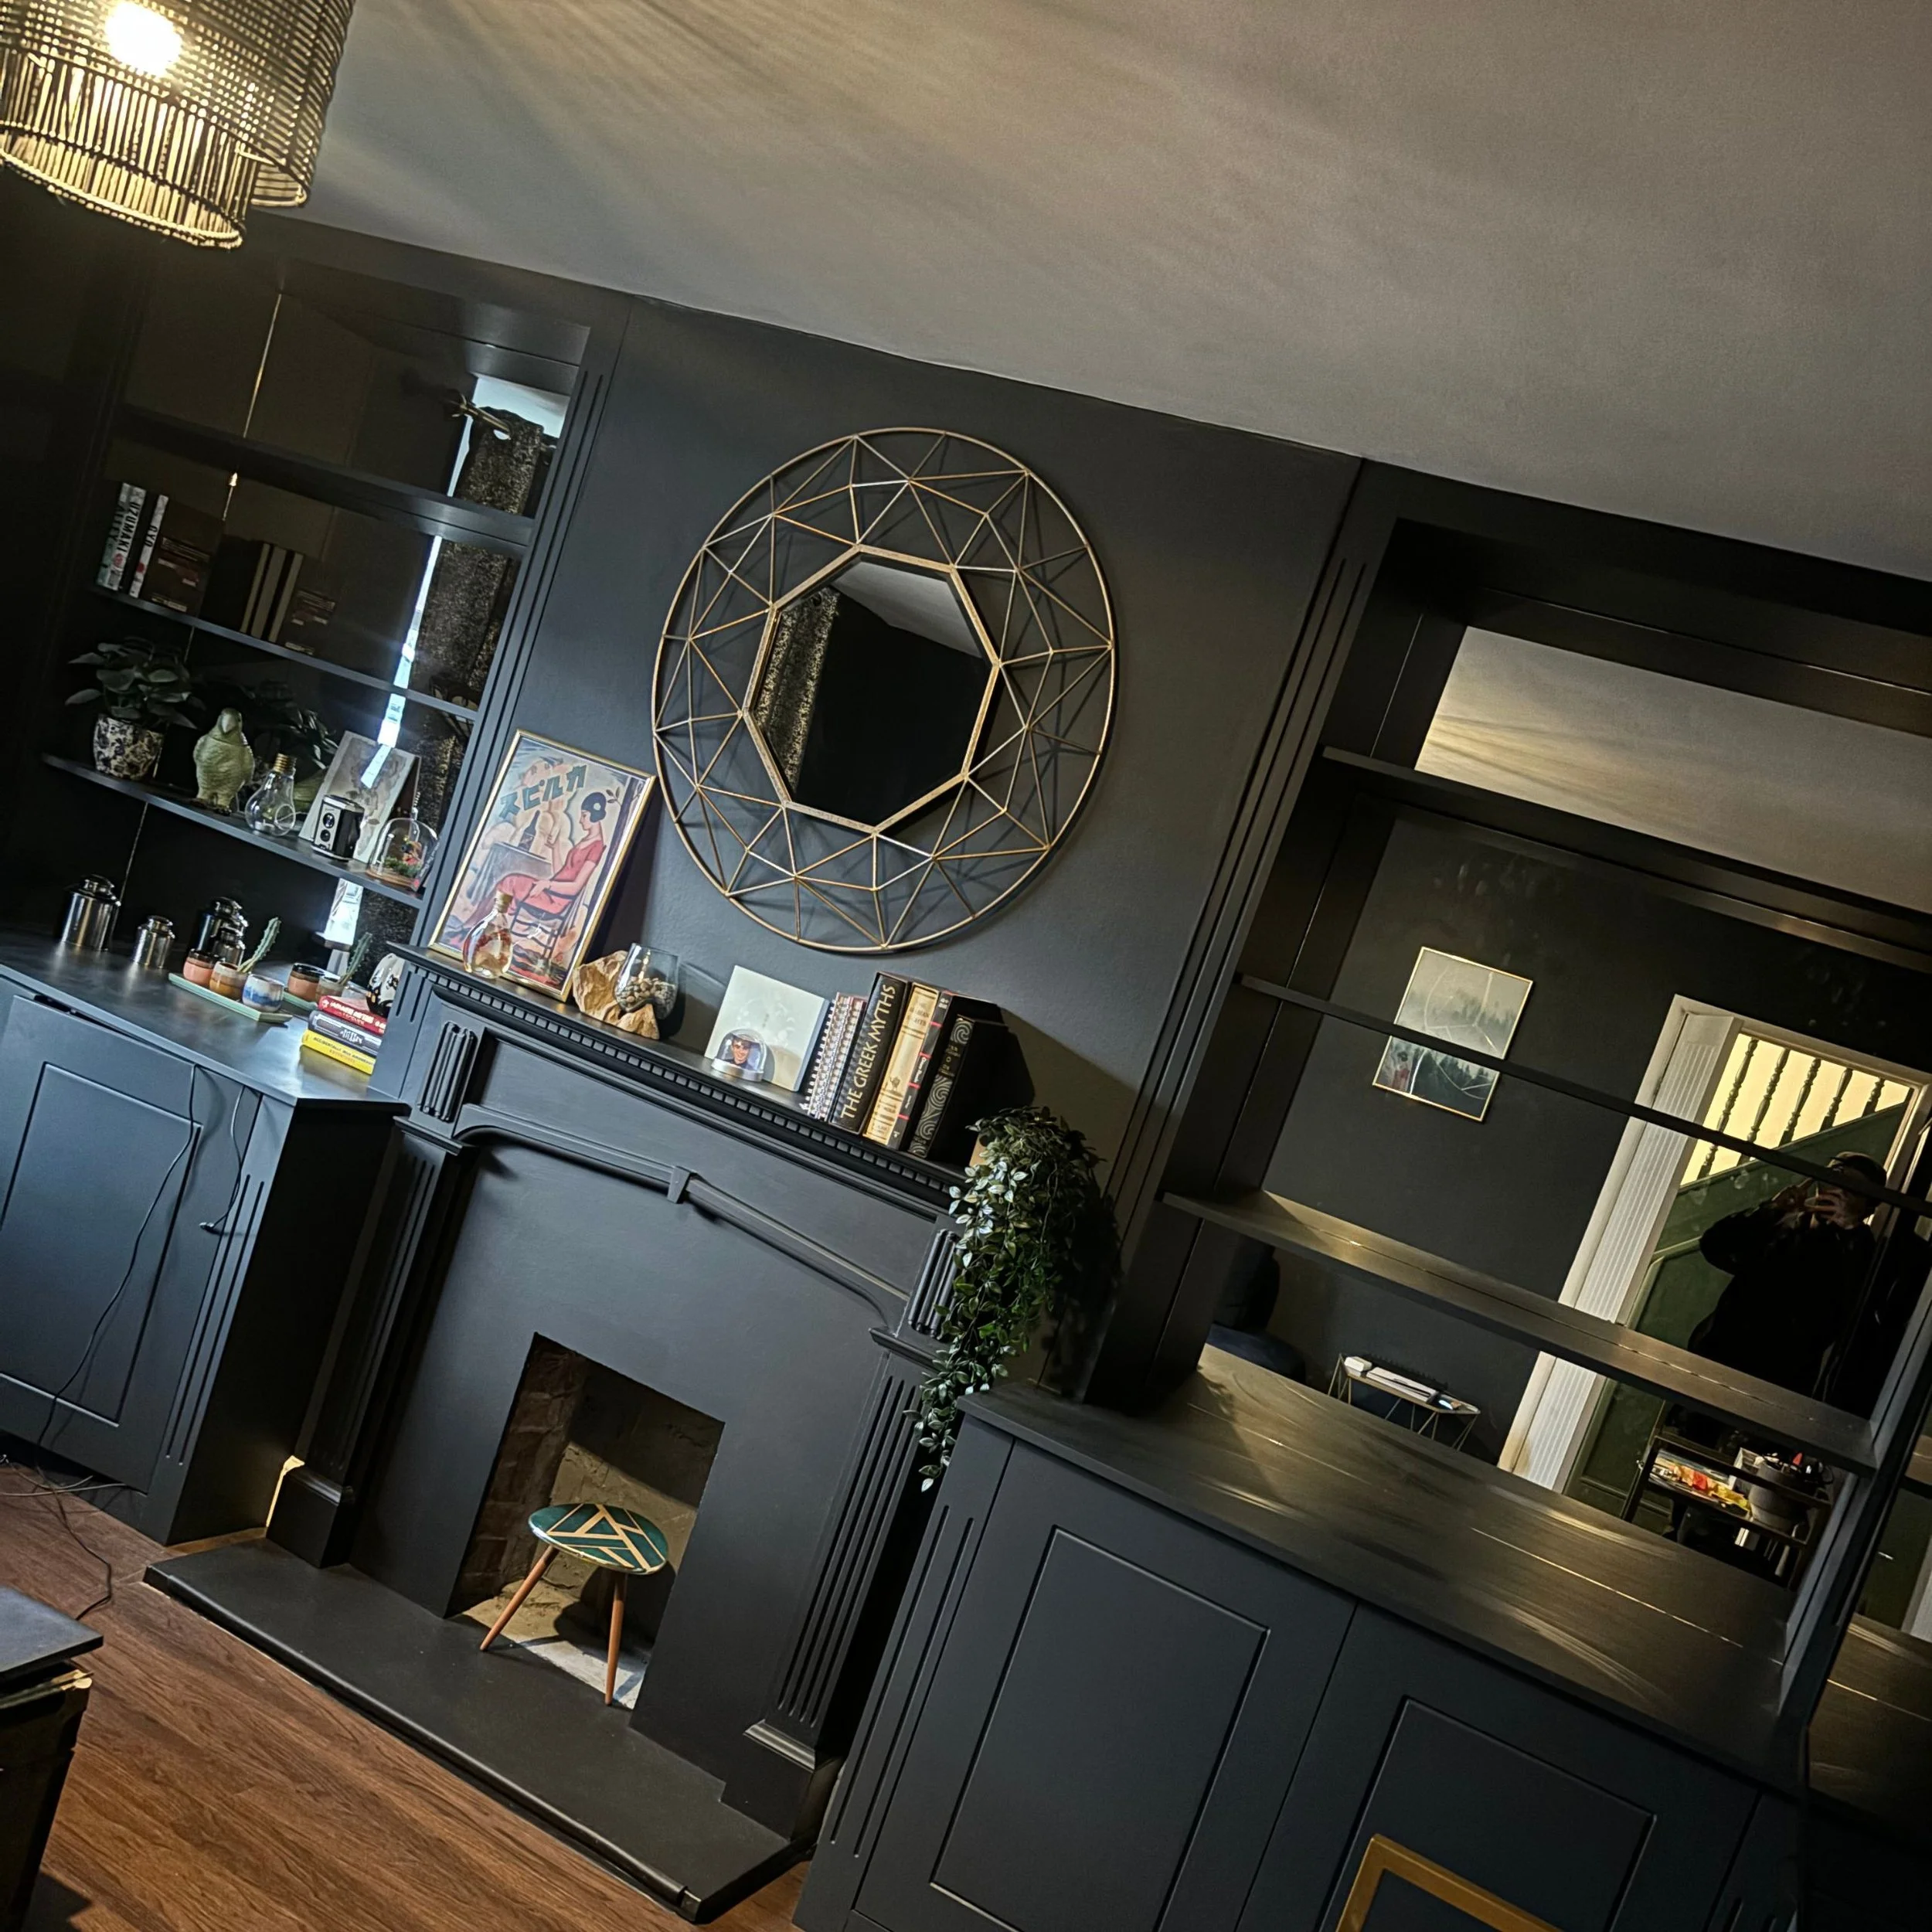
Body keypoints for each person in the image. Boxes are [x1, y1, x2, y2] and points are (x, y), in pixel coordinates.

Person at [1687, 1150, 1886, 1399]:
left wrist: (1848, 1229)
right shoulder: (1787, 1223)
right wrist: (1771, 1210)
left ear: (1868, 1206)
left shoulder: (1860, 1249)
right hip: (1718, 1354)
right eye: (1834, 1176)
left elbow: (1857, 1310)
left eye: (1852, 1188)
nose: (1838, 1190)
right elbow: (1715, 1246)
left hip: (1776, 1379)